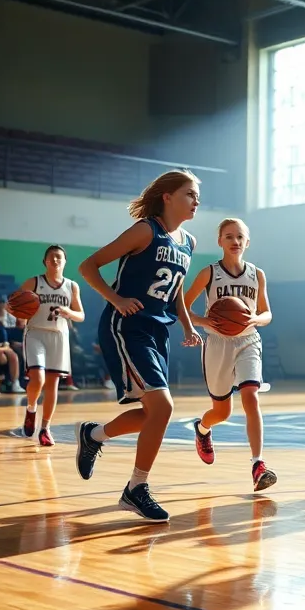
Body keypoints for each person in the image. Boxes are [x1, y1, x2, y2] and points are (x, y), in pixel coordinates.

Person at [74, 169, 203, 523]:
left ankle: (93, 435)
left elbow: (174, 290)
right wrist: (115, 299)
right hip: (127, 327)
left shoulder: (188, 242)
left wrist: (188, 326)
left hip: (158, 331)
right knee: (163, 408)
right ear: (168, 196)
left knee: (151, 413)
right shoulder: (146, 230)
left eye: (197, 195)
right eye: (190, 194)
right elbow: (88, 266)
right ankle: (136, 489)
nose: (196, 201)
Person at [184, 218, 276, 491]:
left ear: (247, 242)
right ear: (220, 241)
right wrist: (203, 322)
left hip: (249, 340)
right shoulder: (209, 273)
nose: (235, 241)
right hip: (218, 344)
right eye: (229, 236)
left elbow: (267, 313)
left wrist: (255, 320)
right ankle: (202, 428)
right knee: (222, 412)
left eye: (239, 237)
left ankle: (258, 464)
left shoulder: (257, 274)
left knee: (251, 395)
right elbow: (184, 307)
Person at [19, 246, 83, 446]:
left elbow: (81, 315)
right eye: (51, 257)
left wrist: (68, 312)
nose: (55, 260)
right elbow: (17, 308)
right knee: (37, 378)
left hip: (59, 336)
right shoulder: (33, 282)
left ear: (65, 262)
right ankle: (31, 409)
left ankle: (45, 428)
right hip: (36, 332)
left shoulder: (72, 286)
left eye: (59, 257)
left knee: (53, 384)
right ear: (45, 261)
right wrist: (18, 312)